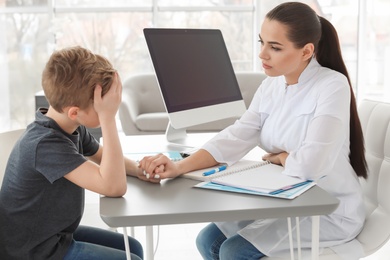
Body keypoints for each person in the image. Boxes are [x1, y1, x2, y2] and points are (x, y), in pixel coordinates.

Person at [138, 2, 368, 259]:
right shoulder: (270, 86)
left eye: (275, 47)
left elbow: (311, 166)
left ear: (306, 51)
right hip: (288, 197)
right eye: (262, 42)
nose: (262, 54)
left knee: (233, 252)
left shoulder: (331, 85)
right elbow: (238, 135)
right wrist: (180, 166)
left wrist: (282, 158)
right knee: (207, 241)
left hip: (327, 207)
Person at [0, 46, 146, 259]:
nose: (107, 109)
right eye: (101, 106)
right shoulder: (45, 145)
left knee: (132, 249)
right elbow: (113, 186)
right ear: (75, 112)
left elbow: (105, 157)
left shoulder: (70, 126)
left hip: (54, 236)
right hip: (35, 252)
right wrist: (109, 118)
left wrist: (142, 170)